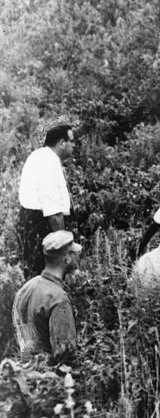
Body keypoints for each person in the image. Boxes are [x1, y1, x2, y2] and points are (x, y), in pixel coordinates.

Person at [12, 231, 81, 367]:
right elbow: (66, 355)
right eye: (73, 253)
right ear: (67, 258)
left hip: (26, 374)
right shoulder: (58, 299)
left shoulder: (25, 289)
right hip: (50, 380)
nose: (77, 257)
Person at [16, 124, 76, 277]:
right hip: (39, 225)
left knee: (34, 274)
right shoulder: (48, 162)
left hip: (31, 223)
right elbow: (53, 212)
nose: (73, 145)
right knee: (45, 275)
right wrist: (63, 247)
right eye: (72, 141)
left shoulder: (42, 156)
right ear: (61, 143)